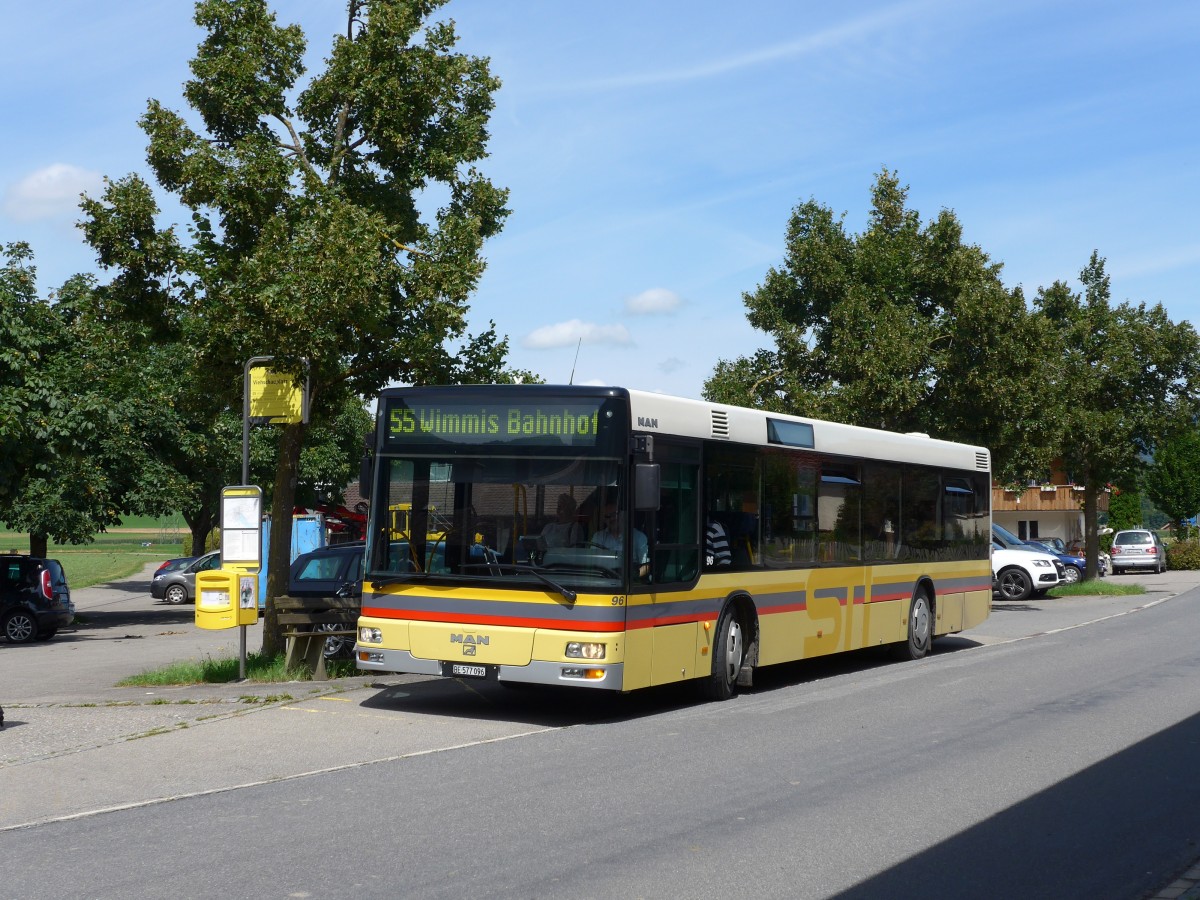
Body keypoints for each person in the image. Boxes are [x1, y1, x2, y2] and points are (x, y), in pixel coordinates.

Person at [591, 502, 649, 578]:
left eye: (614, 514)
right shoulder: (598, 537)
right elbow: (592, 563)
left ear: (623, 515)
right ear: (604, 520)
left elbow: (646, 566)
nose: (611, 518)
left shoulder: (638, 537)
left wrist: (633, 578)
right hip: (603, 580)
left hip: (629, 582)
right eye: (607, 516)